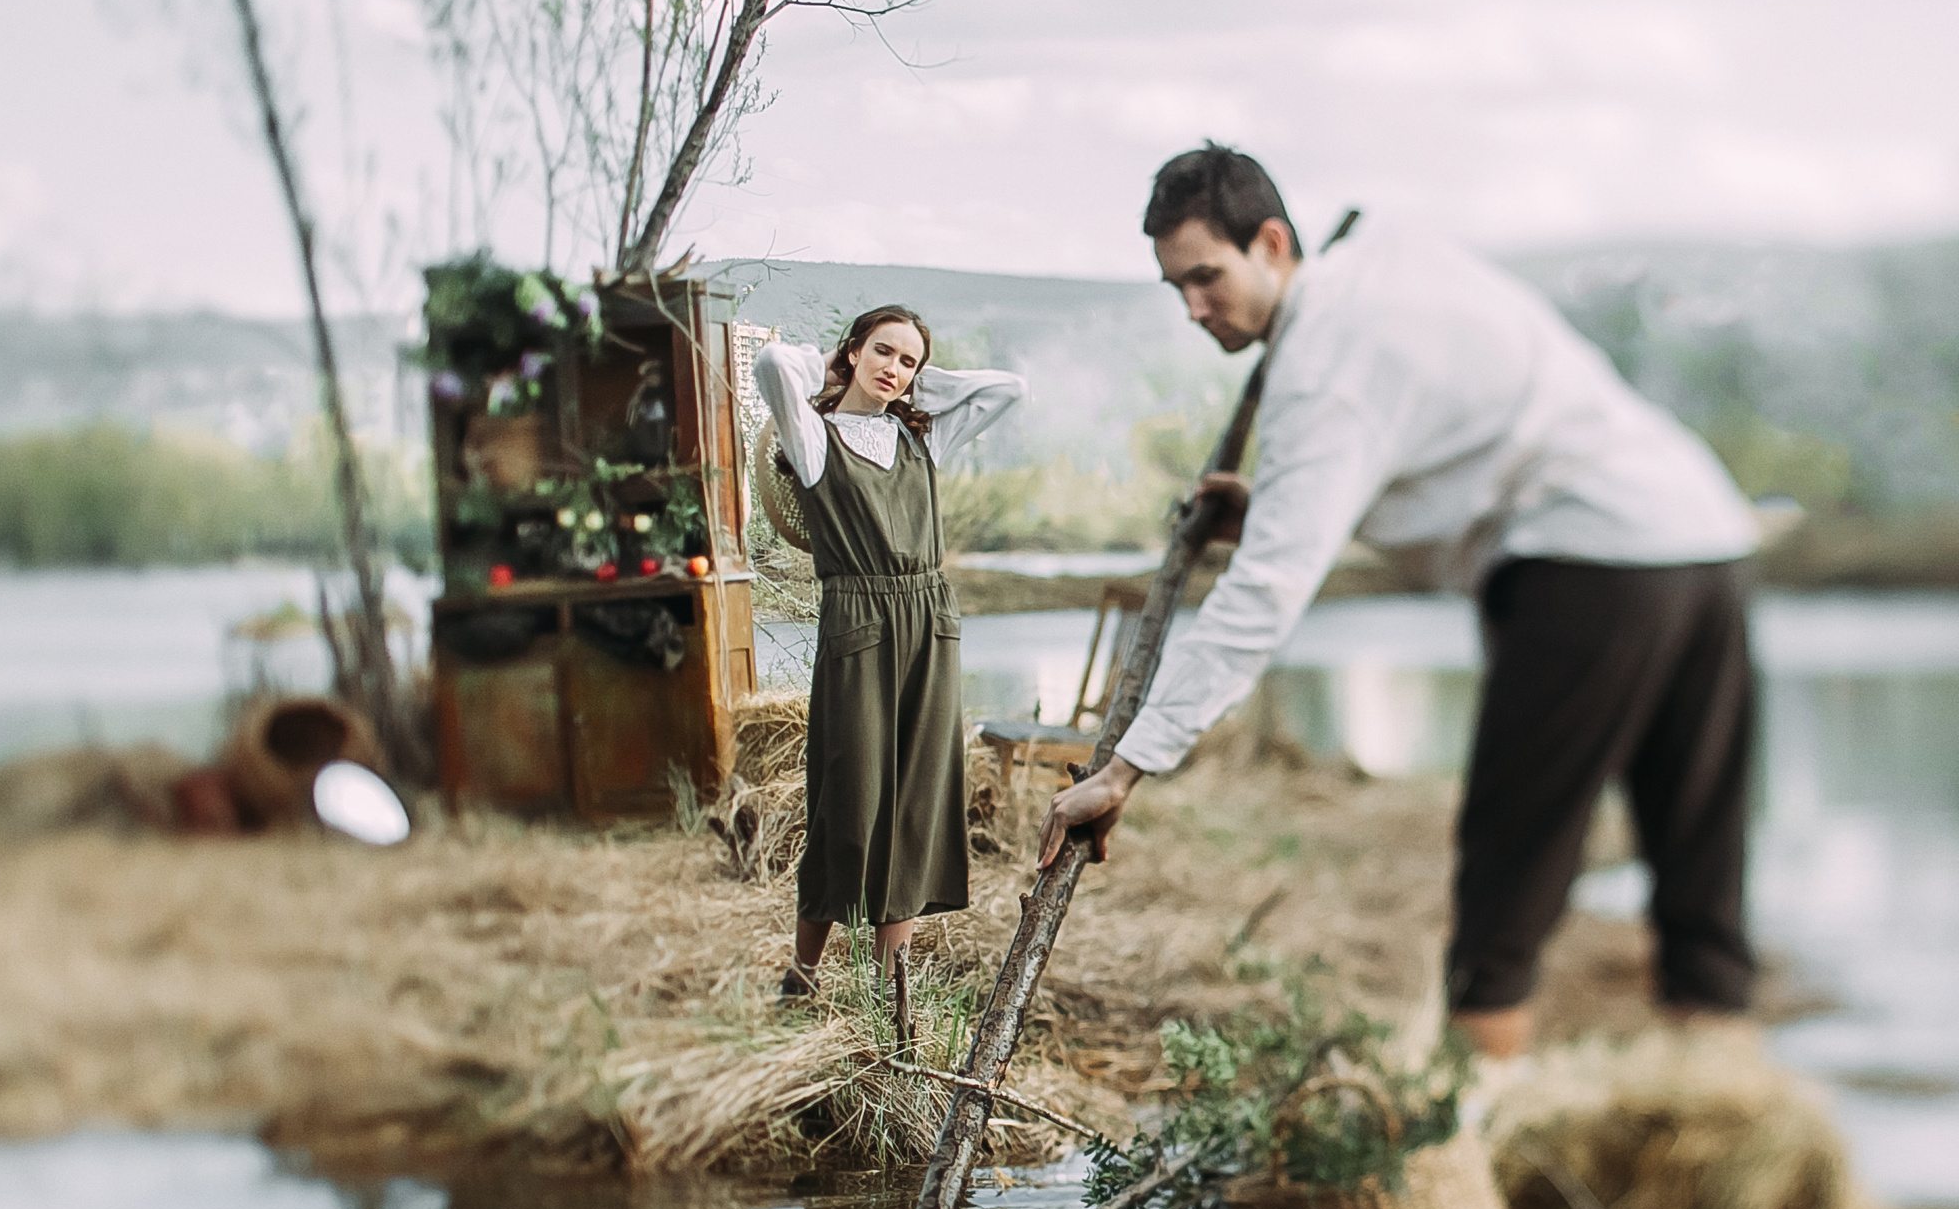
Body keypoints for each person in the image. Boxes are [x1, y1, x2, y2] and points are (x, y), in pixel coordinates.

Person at [1037, 145, 1762, 1064]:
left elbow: (1263, 593)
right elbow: (1444, 441)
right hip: (1704, 539)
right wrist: (1278, 506)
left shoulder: (1319, 370)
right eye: (1176, 287)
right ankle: (1720, 1092)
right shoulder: (1385, 261)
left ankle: (1469, 1114)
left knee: (1512, 861)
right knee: (1701, 858)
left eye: (1207, 277)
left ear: (1272, 244)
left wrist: (1127, 766)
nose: (1193, 308)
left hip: (1590, 562)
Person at [754, 307, 1024, 997]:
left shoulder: (920, 438)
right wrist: (830, 370)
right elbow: (774, 366)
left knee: (916, 799)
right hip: (858, 619)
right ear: (853, 350)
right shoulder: (813, 437)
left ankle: (887, 989)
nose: (894, 369)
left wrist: (917, 385)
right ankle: (803, 974)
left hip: (929, 618)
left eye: (909, 361)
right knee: (846, 800)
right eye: (882, 351)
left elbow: (1007, 389)